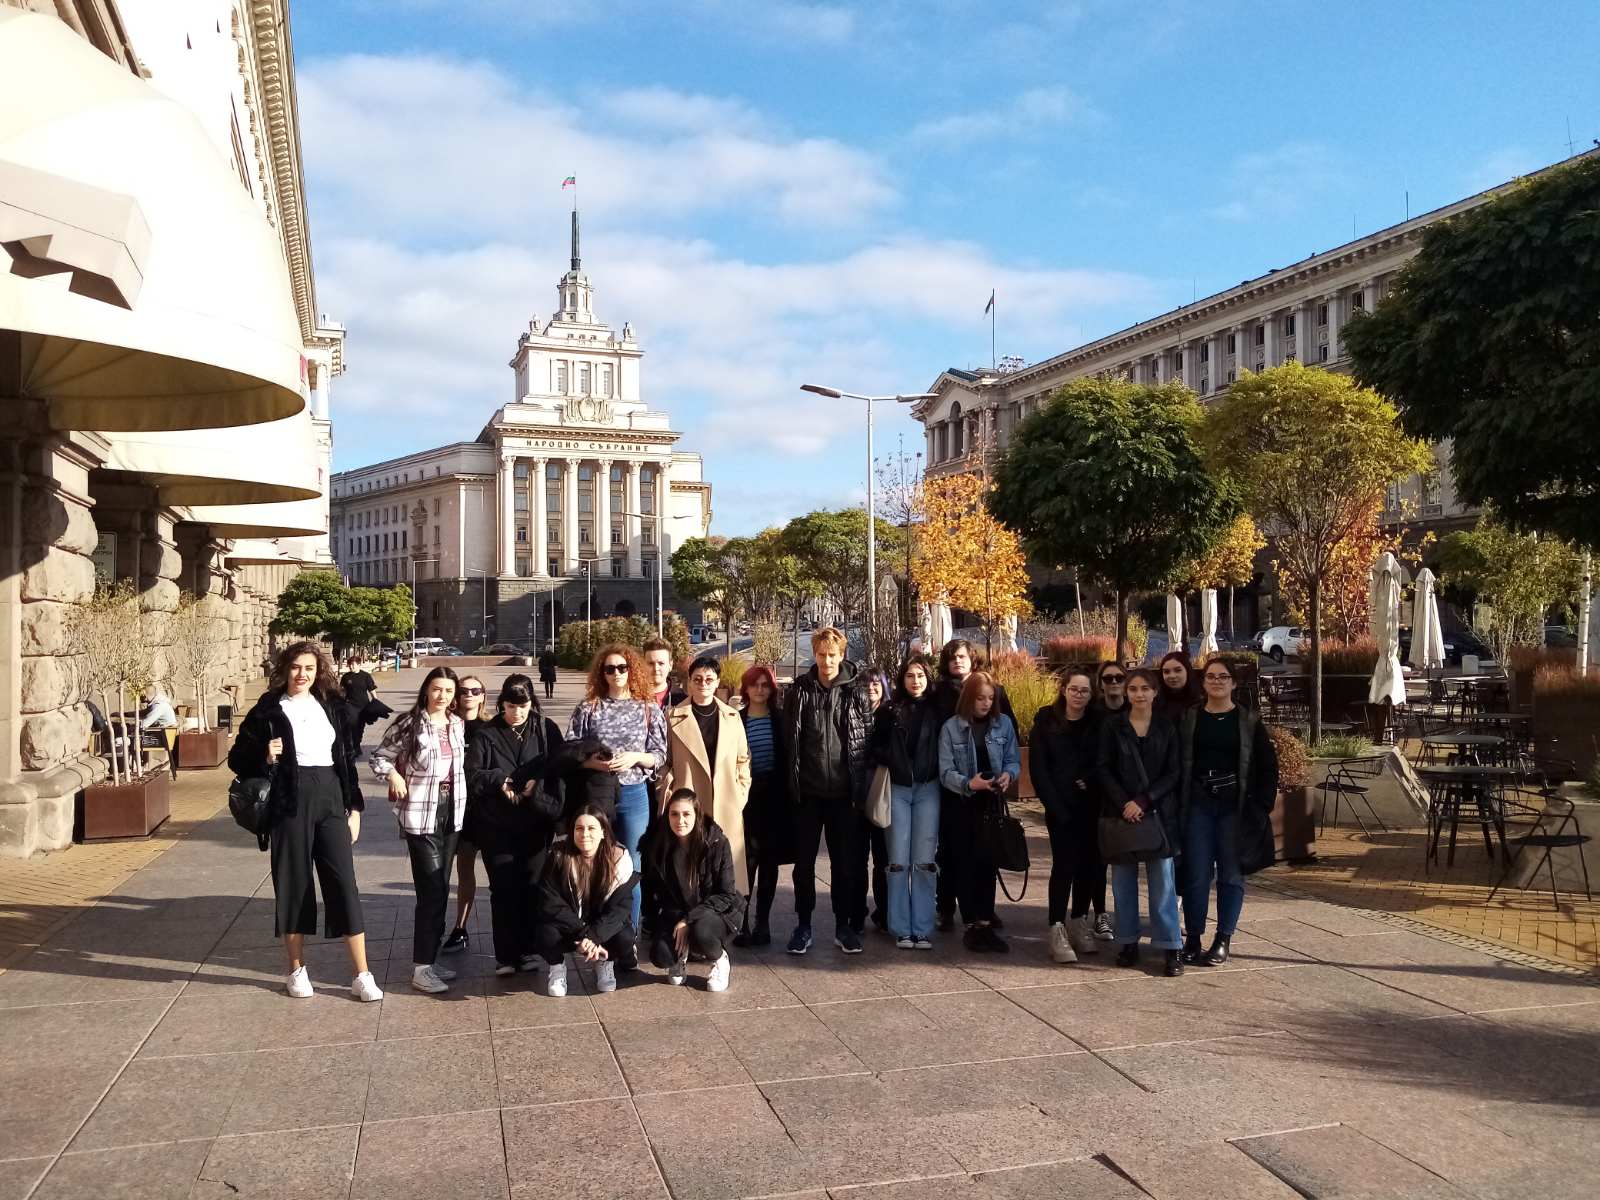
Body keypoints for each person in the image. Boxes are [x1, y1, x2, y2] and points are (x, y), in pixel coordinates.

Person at [230, 642, 381, 1002]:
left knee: (344, 883)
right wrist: (263, 753)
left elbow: (346, 759)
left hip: (329, 794)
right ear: (285, 669)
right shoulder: (267, 710)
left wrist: (354, 808)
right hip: (290, 802)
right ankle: (296, 969)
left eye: (309, 668)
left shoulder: (331, 705)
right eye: (297, 667)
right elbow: (238, 759)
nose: (303, 675)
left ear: (319, 671)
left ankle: (362, 974)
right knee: (294, 883)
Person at [370, 667, 467, 994]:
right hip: (420, 815)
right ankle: (421, 968)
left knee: (441, 884)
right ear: (427, 690)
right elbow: (379, 757)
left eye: (449, 691)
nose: (443, 696)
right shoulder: (409, 723)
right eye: (437, 689)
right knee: (432, 891)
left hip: (451, 813)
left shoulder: (456, 724)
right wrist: (393, 776)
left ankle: (430, 958)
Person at [1178, 657, 1278, 967]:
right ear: (1203, 682)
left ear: (1234, 683)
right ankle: (1193, 937)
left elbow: (1267, 767)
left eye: (1223, 677)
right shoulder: (1190, 718)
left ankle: (1223, 939)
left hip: (1235, 808)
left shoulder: (1248, 722)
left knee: (1231, 875)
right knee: (1196, 873)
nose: (1217, 681)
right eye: (1211, 677)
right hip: (1198, 804)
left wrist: (1261, 806)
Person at [465, 674, 565, 975]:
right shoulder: (487, 733)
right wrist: (501, 780)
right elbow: (472, 773)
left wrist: (538, 782)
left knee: (533, 886)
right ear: (501, 704)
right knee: (503, 888)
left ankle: (530, 949)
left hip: (535, 821)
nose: (517, 713)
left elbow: (560, 765)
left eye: (523, 706)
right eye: (510, 706)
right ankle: (506, 955)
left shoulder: (545, 729)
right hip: (498, 824)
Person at [783, 626, 873, 955]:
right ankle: (803, 924)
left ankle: (843, 925)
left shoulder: (856, 691)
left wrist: (859, 789)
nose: (826, 661)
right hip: (808, 793)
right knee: (804, 865)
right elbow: (789, 742)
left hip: (843, 795)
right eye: (821, 654)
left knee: (844, 864)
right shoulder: (800, 691)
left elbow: (865, 742)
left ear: (842, 654)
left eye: (832, 655)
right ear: (815, 654)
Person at [566, 644, 667, 933]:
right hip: (598, 792)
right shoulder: (589, 707)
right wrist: (592, 764)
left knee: (631, 864)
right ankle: (596, 933)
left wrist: (635, 757)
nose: (616, 673)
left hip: (634, 793)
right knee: (595, 861)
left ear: (632, 669)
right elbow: (570, 752)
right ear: (602, 673)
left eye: (622, 667)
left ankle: (629, 935)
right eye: (609, 668)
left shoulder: (647, 708)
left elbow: (659, 754)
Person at [1095, 668, 1184, 978]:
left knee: (1163, 885)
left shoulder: (1167, 727)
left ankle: (1171, 945)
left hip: (1157, 814)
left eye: (1145, 688)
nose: (1139, 694)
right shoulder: (1113, 726)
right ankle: (1128, 942)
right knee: (1122, 885)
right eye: (1133, 689)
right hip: (1121, 815)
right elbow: (1103, 768)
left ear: (1155, 692)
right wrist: (1125, 803)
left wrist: (1143, 801)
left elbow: (1174, 772)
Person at [930, 639, 1014, 932]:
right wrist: (966, 782)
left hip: (988, 796)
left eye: (962, 657)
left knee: (986, 854)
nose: (958, 662)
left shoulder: (997, 698)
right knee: (952, 853)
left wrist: (1007, 774)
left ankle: (984, 911)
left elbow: (1009, 745)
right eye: (952, 658)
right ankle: (949, 908)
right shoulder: (939, 694)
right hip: (955, 788)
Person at [1030, 670, 1104, 964]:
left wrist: (1092, 778)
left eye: (1084, 691)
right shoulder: (1046, 722)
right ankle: (1056, 926)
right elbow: (1039, 770)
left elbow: (1104, 760)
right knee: (1064, 865)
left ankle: (1079, 920)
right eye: (1074, 689)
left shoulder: (1098, 722)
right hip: (1060, 806)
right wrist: (1055, 806)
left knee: (1089, 865)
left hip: (1091, 805)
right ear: (1063, 690)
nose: (1079, 695)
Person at [869, 655, 941, 949]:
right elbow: (875, 745)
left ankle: (922, 926)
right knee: (897, 860)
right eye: (910, 676)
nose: (915, 681)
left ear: (928, 678)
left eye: (920, 676)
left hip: (928, 788)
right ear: (902, 679)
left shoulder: (938, 710)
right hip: (897, 788)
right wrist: (893, 760)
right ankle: (900, 927)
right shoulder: (889, 710)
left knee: (924, 861)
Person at [662, 655, 751, 889]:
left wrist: (740, 795)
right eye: (698, 679)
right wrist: (670, 791)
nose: (703, 684)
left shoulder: (732, 717)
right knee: (693, 873)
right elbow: (665, 761)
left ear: (717, 681)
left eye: (709, 679)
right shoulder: (673, 717)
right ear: (689, 682)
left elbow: (743, 760)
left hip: (726, 802)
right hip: (689, 802)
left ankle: (730, 919)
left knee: (726, 870)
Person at [642, 788, 744, 991]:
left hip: (716, 913)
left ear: (697, 815)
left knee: (701, 932)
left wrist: (688, 920)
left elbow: (726, 894)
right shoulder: (659, 846)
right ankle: (681, 954)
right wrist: (656, 925)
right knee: (660, 955)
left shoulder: (716, 843)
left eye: (686, 814)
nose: (680, 820)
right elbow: (649, 888)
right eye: (674, 814)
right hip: (676, 912)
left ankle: (720, 959)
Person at [531, 805, 638, 996]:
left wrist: (594, 937)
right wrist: (584, 933)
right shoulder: (558, 856)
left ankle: (605, 962)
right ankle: (557, 967)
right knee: (543, 932)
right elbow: (550, 902)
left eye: (591, 828)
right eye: (579, 828)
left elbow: (620, 910)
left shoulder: (620, 862)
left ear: (603, 832)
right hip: (572, 926)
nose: (585, 834)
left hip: (600, 927)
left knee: (625, 936)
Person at [735, 664, 790, 945]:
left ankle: (763, 922)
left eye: (765, 685)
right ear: (745, 689)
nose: (759, 689)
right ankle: (740, 922)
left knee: (769, 861)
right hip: (745, 797)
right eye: (754, 685)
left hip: (774, 797)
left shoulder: (780, 719)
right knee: (745, 862)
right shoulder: (736, 719)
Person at [443, 675, 492, 954]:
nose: (470, 695)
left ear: (483, 695)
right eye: (464, 691)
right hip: (455, 806)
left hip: (484, 809)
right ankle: (459, 927)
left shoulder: (491, 727)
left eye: (476, 690)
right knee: (462, 870)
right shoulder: (448, 725)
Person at [859, 667, 893, 931]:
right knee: (856, 859)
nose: (871, 689)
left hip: (881, 793)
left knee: (883, 858)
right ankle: (858, 909)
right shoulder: (853, 714)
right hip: (857, 795)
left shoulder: (891, 715)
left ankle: (884, 910)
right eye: (866, 685)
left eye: (876, 685)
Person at [642, 637, 686, 712]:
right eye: (651, 663)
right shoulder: (633, 698)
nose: (656, 668)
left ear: (670, 665)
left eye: (661, 663)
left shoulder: (682, 701)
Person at [1156, 651, 1199, 723]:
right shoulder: (1155, 703)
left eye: (1178, 670)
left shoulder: (1201, 704)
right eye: (1166, 672)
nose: (1172, 676)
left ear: (1187, 671)